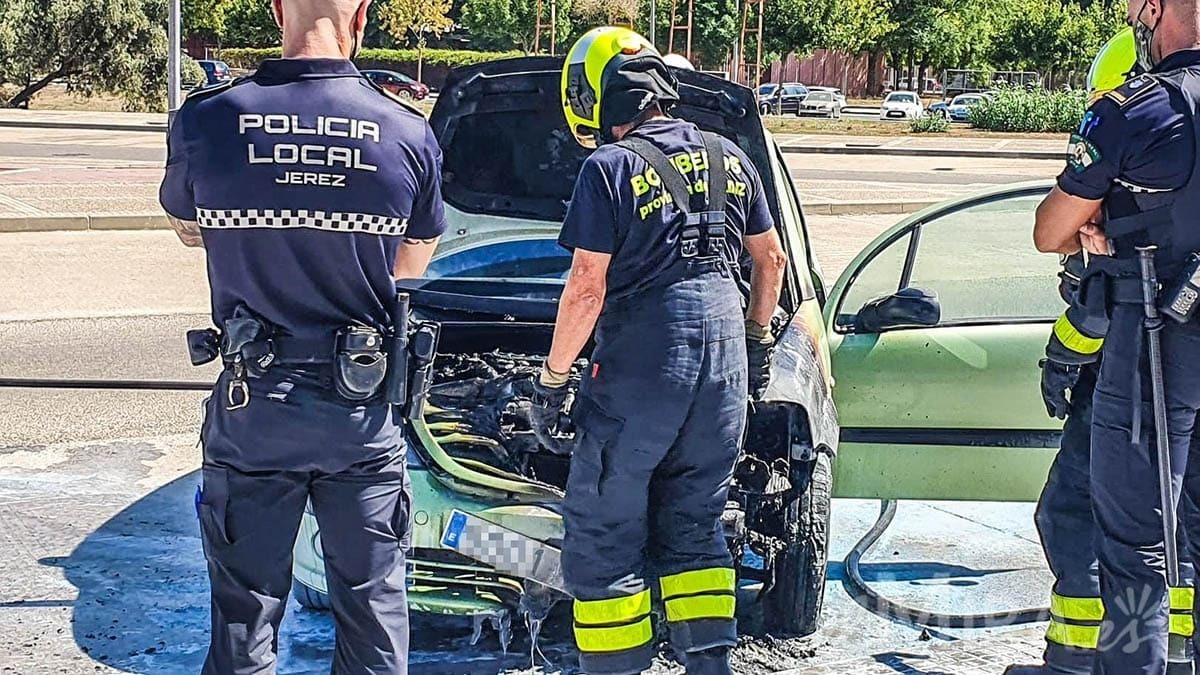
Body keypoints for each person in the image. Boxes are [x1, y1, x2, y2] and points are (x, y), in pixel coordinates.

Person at [158, 0, 446, 672]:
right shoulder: (405, 129)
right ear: (363, 17)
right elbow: (411, 264)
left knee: (244, 621)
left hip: (253, 407)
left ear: (277, 9)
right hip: (360, 410)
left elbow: (189, 228)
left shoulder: (206, 119)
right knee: (374, 615)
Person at [530, 26, 788, 675]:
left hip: (644, 370)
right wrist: (757, 346)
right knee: (695, 527)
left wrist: (555, 377)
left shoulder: (608, 168)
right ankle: (709, 665)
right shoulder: (730, 153)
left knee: (606, 536)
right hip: (724, 364)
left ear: (598, 103)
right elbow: (771, 259)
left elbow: (587, 284)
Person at [1011, 30, 1198, 675]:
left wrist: (1106, 230)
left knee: (1131, 551)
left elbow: (1051, 231)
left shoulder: (1136, 110)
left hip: (1154, 358)